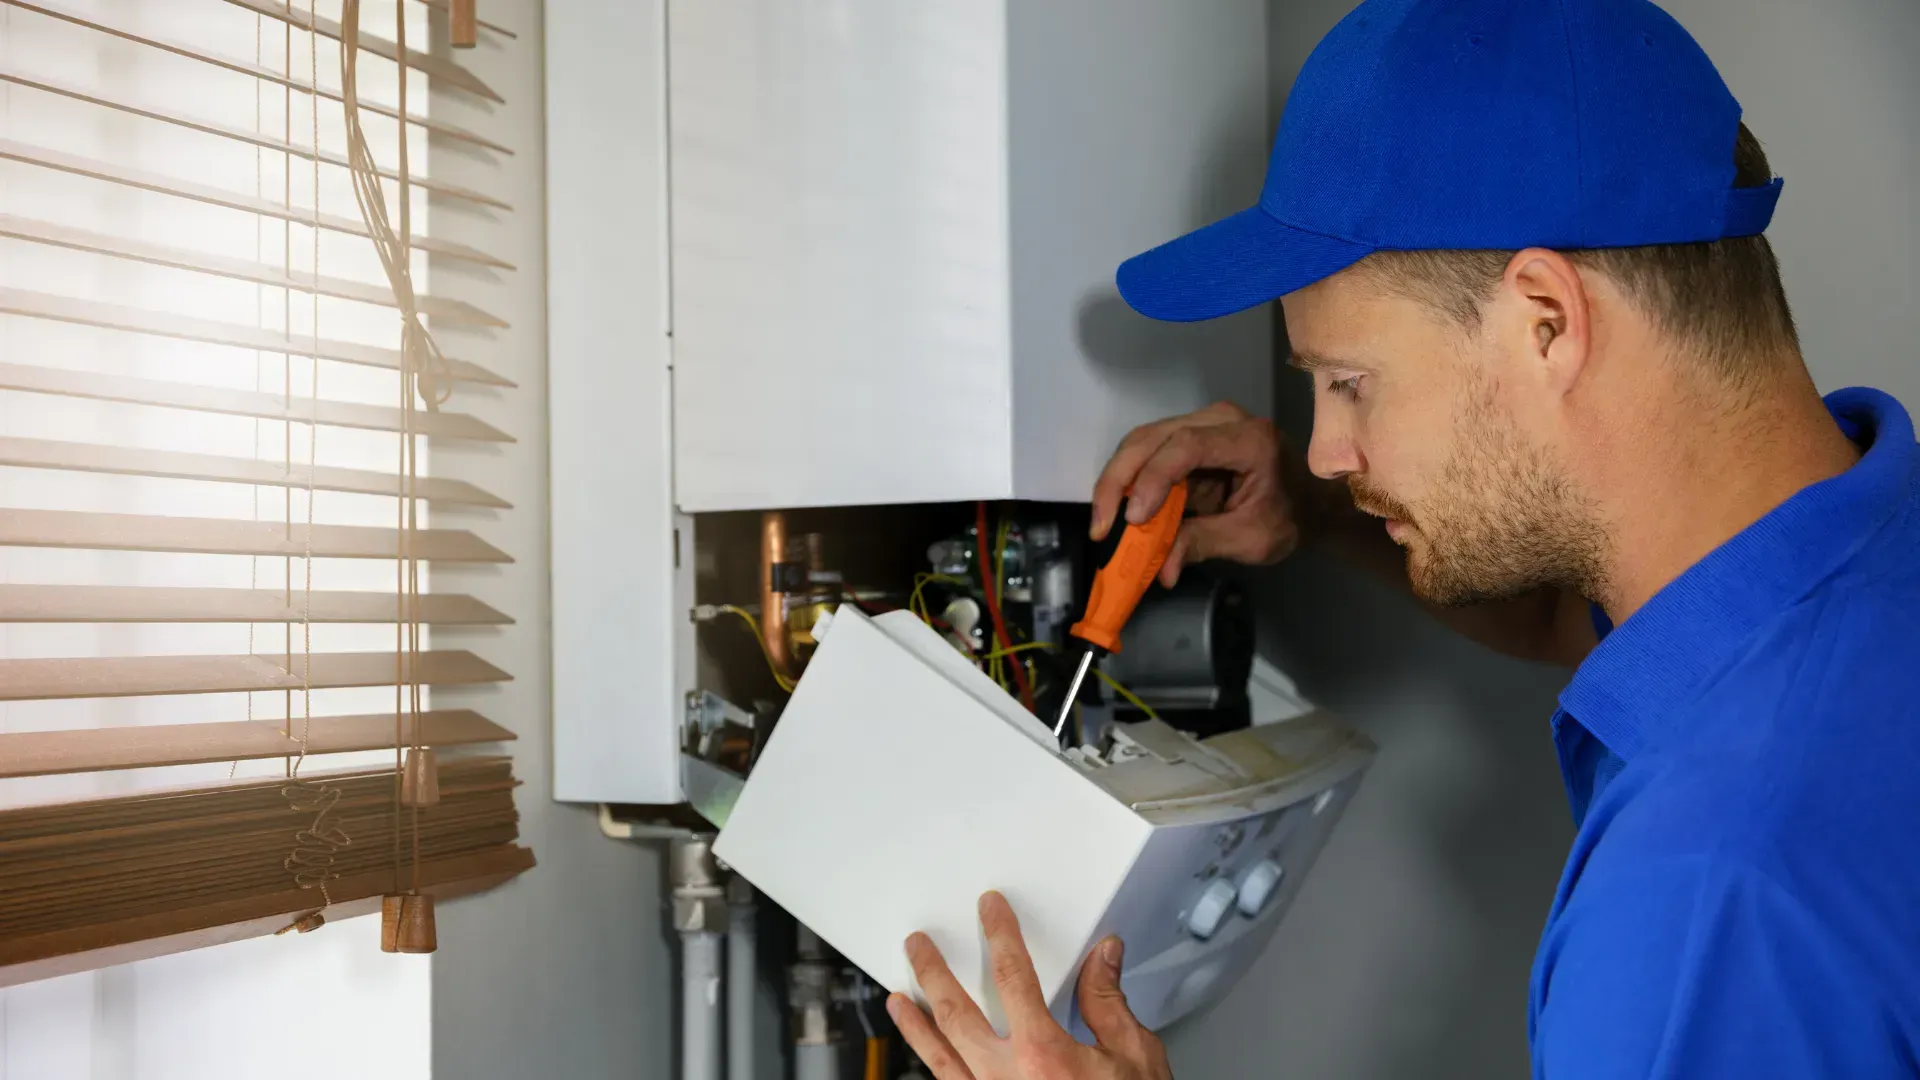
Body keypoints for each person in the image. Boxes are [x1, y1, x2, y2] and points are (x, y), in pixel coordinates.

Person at [883, 0, 1920, 1077]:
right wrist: (1316, 511)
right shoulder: (1860, 552)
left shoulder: (1709, 902)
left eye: (1351, 383)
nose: (1325, 447)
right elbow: (1591, 619)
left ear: (1546, 323)